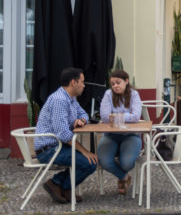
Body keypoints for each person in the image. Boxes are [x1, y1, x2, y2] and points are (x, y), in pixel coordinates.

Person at [33, 67, 98, 204]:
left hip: (58, 146)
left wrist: (82, 120)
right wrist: (85, 151)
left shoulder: (71, 98)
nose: (84, 85)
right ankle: (58, 184)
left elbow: (84, 113)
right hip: (48, 150)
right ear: (73, 82)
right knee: (89, 162)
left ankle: (60, 187)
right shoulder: (59, 100)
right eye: (82, 82)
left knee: (90, 161)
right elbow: (63, 134)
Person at [97, 69, 143, 194]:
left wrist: (116, 116)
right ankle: (124, 177)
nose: (115, 86)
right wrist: (126, 116)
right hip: (111, 135)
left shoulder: (134, 95)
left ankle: (123, 171)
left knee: (127, 164)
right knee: (103, 160)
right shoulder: (108, 94)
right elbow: (105, 117)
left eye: (118, 82)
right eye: (112, 84)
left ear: (126, 81)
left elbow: (136, 117)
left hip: (131, 135)